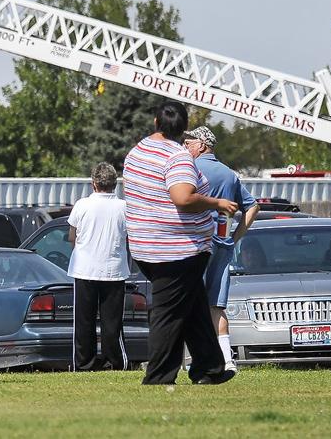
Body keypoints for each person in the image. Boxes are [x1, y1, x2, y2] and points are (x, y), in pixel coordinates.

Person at [124, 101, 237, 385]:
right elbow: (182, 197)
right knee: (168, 312)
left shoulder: (137, 152)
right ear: (183, 127)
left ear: (155, 122)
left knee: (194, 307)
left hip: (145, 245)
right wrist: (217, 202)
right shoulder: (177, 157)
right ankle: (159, 376)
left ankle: (209, 368)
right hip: (177, 249)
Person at [183, 126, 260, 373]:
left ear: (202, 145)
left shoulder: (190, 170)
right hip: (222, 244)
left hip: (195, 244)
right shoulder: (230, 174)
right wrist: (235, 237)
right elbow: (253, 207)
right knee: (216, 305)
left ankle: (192, 359)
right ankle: (227, 359)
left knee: (188, 302)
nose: (185, 146)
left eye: (189, 142)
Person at [66, 162, 130, 372]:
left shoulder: (82, 205)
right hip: (114, 270)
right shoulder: (123, 207)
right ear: (114, 184)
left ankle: (84, 363)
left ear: (94, 184)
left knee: (84, 322)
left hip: (84, 269)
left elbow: (72, 236)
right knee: (112, 323)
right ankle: (115, 362)